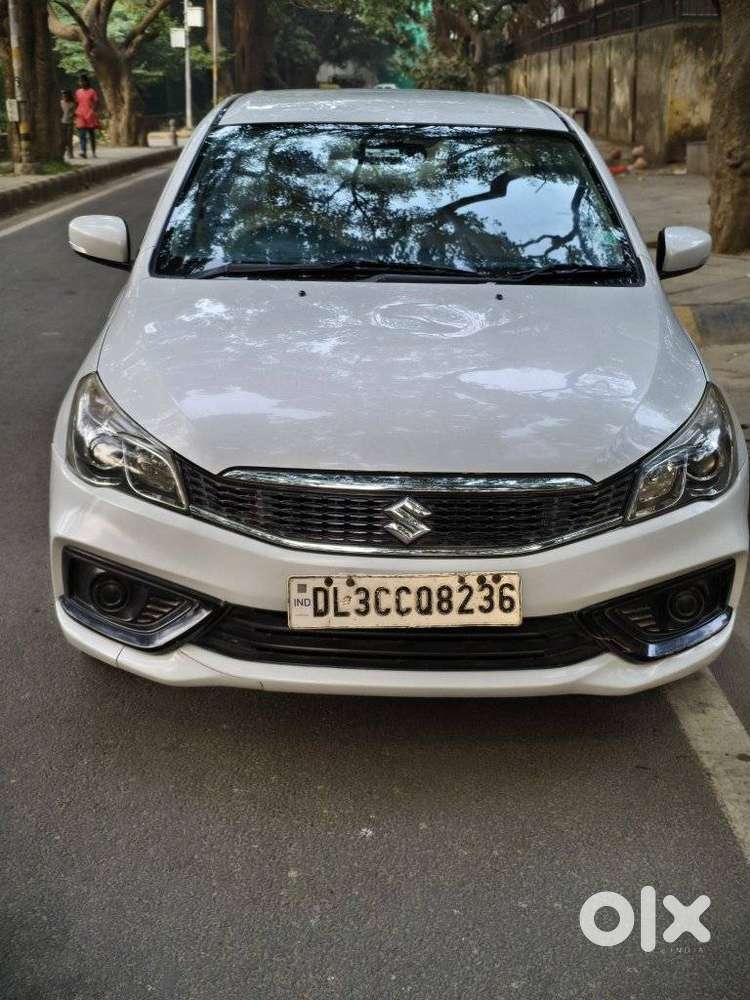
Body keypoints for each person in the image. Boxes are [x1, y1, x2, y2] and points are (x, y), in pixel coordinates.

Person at [74, 73, 100, 159]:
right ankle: (83, 151)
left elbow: (96, 102)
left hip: (90, 115)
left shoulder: (92, 91)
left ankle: (93, 152)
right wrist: (75, 112)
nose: (81, 83)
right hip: (80, 115)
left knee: (91, 135)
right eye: (80, 81)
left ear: (86, 81)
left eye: (82, 81)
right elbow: (77, 103)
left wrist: (92, 111)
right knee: (82, 135)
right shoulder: (78, 92)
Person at [60, 89, 75, 160]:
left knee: (69, 138)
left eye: (66, 95)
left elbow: (74, 113)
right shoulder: (61, 103)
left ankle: (70, 153)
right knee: (63, 139)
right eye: (63, 95)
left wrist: (72, 115)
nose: (64, 96)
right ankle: (62, 153)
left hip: (70, 123)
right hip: (63, 122)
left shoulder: (72, 104)